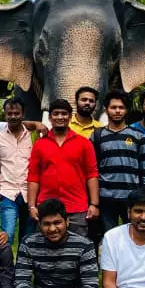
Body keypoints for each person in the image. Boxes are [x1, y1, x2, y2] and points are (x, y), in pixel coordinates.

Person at [27, 98, 99, 238]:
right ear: (50, 117)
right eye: (56, 114)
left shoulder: (84, 143)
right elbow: (33, 176)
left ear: (70, 117)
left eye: (64, 113)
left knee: (77, 249)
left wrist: (94, 204)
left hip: (76, 207)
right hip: (46, 207)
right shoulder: (40, 145)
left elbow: (92, 174)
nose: (60, 117)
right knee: (46, 252)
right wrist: (32, 206)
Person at [92, 91, 145, 232]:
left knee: (133, 235)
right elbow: (93, 170)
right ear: (106, 109)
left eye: (121, 107)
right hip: (106, 197)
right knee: (109, 236)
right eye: (113, 107)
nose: (117, 111)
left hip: (131, 197)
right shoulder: (97, 135)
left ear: (127, 110)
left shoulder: (138, 136)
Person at [0, 96, 36, 245]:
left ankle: (23, 267)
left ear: (23, 114)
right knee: (6, 235)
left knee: (28, 237)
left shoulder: (34, 136)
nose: (13, 116)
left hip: (30, 193)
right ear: (5, 114)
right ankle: (5, 268)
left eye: (16, 113)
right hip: (7, 192)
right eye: (10, 113)